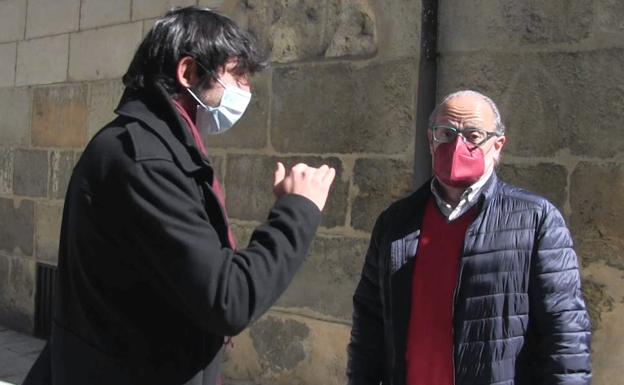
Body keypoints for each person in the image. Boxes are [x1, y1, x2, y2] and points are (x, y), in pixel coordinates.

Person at [24, 6, 335, 385]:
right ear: (188, 72)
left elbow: (178, 283)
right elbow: (227, 299)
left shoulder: (159, 147)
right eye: (237, 74)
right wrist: (297, 210)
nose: (246, 90)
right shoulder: (143, 160)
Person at [347, 90, 591, 385]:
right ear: (430, 140)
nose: (457, 145)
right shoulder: (395, 222)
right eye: (446, 133)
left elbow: (565, 331)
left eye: (473, 135)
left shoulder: (536, 219)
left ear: (497, 145)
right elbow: (369, 324)